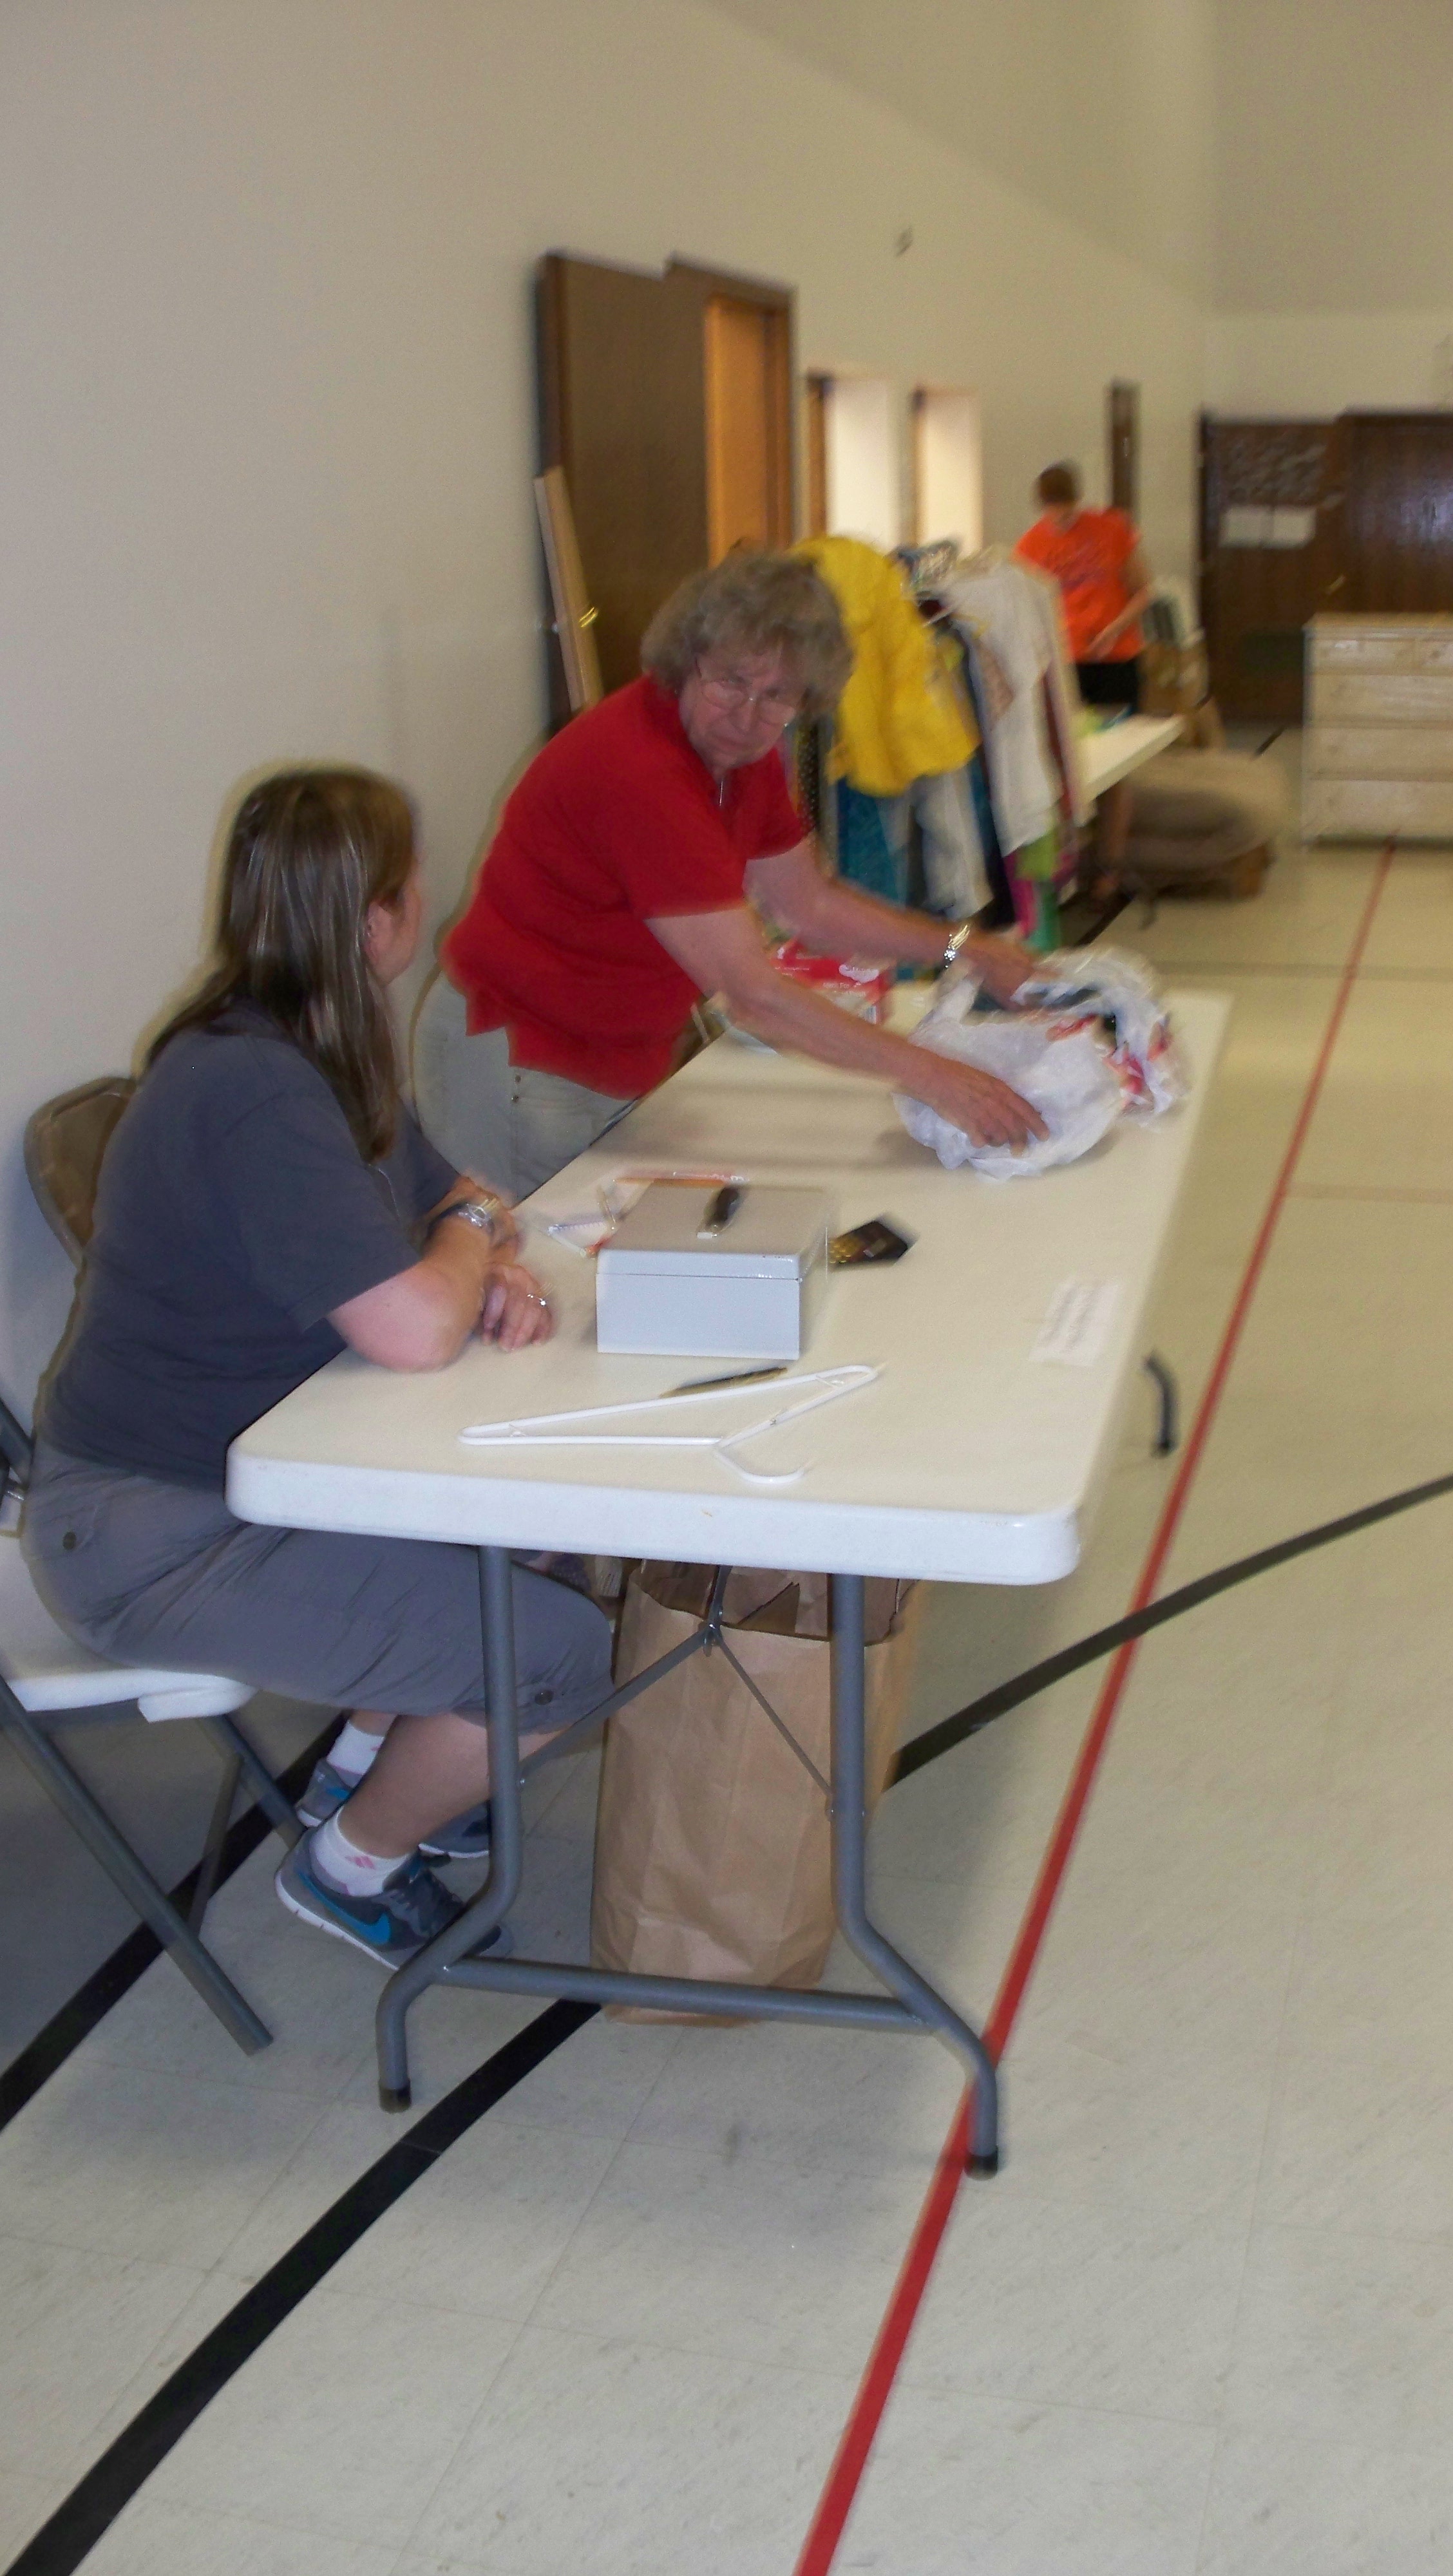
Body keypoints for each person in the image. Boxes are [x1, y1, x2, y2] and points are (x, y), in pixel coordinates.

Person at [22, 768, 613, 1967]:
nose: (427, 902)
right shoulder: (254, 1087)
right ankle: (351, 1867)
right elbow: (416, 1325)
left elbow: (453, 1195)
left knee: (536, 1529)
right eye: (416, 884)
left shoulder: (312, 1044)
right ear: (380, 918)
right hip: (154, 1539)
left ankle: (364, 1777)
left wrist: (477, 1250)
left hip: (255, 1480)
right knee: (560, 1655)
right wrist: (471, 1252)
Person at [414, 551, 1047, 1197]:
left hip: (609, 1053)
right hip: (520, 1057)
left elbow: (809, 905)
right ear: (686, 659)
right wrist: (933, 1075)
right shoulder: (642, 772)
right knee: (530, 1255)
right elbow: (753, 997)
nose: (747, 716)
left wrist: (963, 947)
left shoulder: (740, 756)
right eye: (730, 682)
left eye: (776, 696)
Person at [1016, 462, 1155, 890]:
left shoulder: (1112, 529)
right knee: (1070, 761)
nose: (1061, 521)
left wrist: (1115, 628)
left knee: (1120, 762)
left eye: (1068, 512)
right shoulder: (1031, 545)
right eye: (1053, 513)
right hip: (1066, 666)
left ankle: (1110, 867)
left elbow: (1144, 591)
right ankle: (1071, 863)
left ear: (1078, 502)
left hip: (1116, 660)